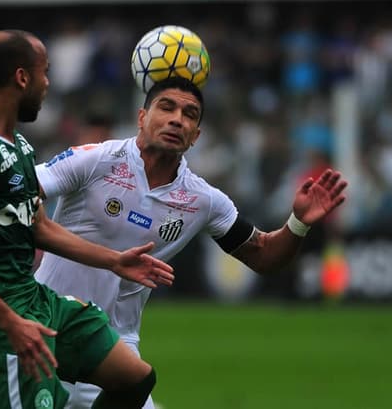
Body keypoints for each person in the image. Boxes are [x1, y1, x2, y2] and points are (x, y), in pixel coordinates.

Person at [34, 76, 348, 408]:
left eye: (189, 114)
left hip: (116, 346)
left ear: (195, 136)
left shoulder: (202, 200)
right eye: (166, 107)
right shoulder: (95, 160)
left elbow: (264, 255)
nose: (176, 119)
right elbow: (23, 190)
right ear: (142, 117)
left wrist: (298, 222)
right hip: (46, 326)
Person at [0, 29, 176, 409]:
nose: (49, 84)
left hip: (34, 300)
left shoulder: (18, 143)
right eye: (45, 72)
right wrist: (10, 322)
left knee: (136, 378)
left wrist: (113, 261)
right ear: (21, 77)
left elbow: (39, 227)